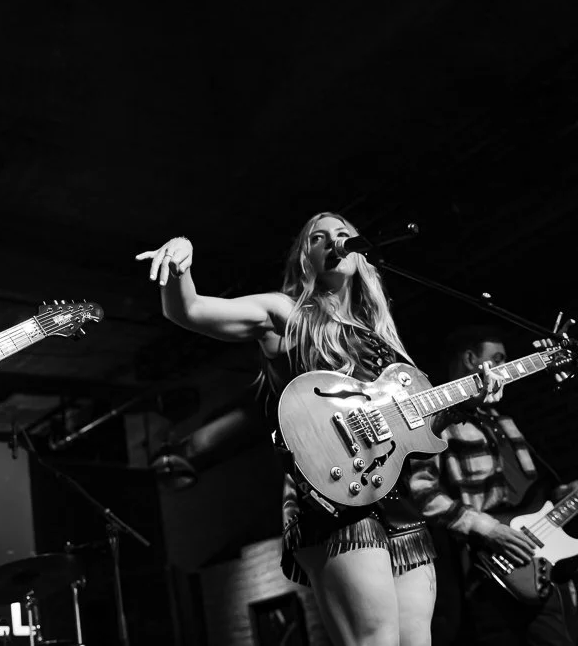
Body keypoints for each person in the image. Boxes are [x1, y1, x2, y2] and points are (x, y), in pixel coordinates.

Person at [136, 212, 504, 646]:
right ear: (304, 260)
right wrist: (181, 266)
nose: (335, 242)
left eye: (344, 235)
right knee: (375, 639)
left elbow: (414, 428)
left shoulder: (382, 339)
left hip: (397, 500)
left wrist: (469, 400)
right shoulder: (286, 313)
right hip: (332, 497)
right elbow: (191, 310)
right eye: (320, 238)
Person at [408, 325, 578, 645]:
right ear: (471, 359)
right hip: (487, 562)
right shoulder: (438, 425)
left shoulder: (502, 419)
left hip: (537, 554)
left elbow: (530, 489)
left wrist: (562, 494)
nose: (506, 367)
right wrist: (488, 529)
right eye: (498, 358)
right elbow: (422, 491)